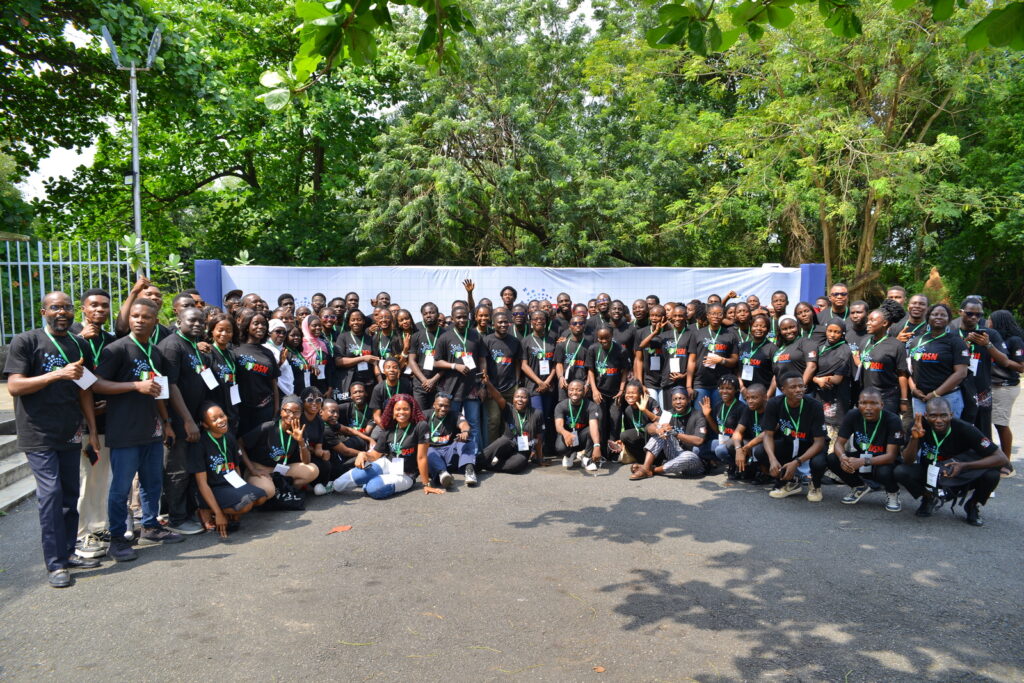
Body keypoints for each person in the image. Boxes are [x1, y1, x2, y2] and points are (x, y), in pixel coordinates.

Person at [5, 291, 102, 586]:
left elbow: (85, 389)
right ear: (44, 312)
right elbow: (15, 386)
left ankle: (68, 551)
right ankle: (55, 564)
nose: (62, 312)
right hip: (38, 431)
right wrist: (57, 374)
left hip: (70, 430)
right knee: (50, 495)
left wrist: (92, 430)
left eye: (67, 307)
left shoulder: (78, 344)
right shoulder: (26, 341)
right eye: (55, 307)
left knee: (70, 495)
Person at [93, 297, 182, 563]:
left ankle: (151, 527)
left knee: (152, 483)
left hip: (151, 430)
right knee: (121, 489)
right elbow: (96, 384)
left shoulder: (154, 352)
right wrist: (134, 386)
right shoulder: (117, 349)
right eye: (135, 316)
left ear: (155, 321)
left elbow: (159, 390)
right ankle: (118, 538)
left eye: (146, 317)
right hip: (125, 432)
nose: (140, 320)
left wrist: (166, 422)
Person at [895, 397, 1008, 526]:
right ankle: (929, 498)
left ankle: (972, 505)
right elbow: (907, 460)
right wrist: (914, 439)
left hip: (959, 473)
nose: (939, 420)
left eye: (943, 415)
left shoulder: (965, 428)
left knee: (992, 475)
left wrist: (965, 466)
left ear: (951, 414)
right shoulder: (918, 426)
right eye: (933, 416)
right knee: (900, 471)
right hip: (931, 473)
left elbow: (1001, 458)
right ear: (926, 416)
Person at [157, 306, 213, 536]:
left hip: (193, 419)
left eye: (201, 321)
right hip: (179, 420)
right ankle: (176, 518)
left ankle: (187, 513)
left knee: (189, 468)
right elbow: (169, 385)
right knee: (176, 470)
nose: (197, 324)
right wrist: (186, 420)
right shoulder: (172, 345)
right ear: (179, 321)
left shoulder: (194, 346)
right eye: (192, 320)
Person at [71, 288, 116, 560]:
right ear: (83, 309)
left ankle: (98, 527)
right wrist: (79, 340)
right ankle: (81, 534)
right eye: (94, 305)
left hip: (106, 420)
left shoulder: (110, 340)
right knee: (86, 480)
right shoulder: (71, 336)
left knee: (100, 478)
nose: (100, 310)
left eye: (104, 306)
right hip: (82, 424)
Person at [809, 388, 904, 510]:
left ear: (881, 405)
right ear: (858, 404)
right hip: (862, 457)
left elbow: (891, 456)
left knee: (884, 471)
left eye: (873, 403)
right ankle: (859, 486)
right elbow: (839, 444)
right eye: (863, 403)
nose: (868, 408)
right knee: (833, 458)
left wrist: (863, 461)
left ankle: (893, 492)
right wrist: (843, 458)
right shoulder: (853, 415)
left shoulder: (892, 420)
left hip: (883, 461)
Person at [190, 403, 268, 536]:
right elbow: (202, 484)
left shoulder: (229, 437)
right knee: (245, 505)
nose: (221, 420)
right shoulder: (200, 444)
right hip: (213, 488)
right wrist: (219, 513)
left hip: (230, 483)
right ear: (205, 424)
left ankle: (229, 511)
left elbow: (236, 467)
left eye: (222, 416)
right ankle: (208, 510)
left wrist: (241, 489)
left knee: (261, 497)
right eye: (214, 419)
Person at [331, 394, 425, 499]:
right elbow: (375, 455)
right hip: (388, 463)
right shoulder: (389, 428)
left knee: (373, 488)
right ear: (392, 412)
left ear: (412, 410)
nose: (401, 412)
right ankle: (330, 487)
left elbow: (422, 457)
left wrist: (426, 484)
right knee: (345, 481)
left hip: (406, 474)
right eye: (398, 409)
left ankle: (370, 483)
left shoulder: (420, 426)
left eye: (406, 409)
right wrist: (363, 454)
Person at [760, 373, 827, 500]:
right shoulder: (774, 403)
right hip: (789, 442)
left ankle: (815, 485)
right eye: (793, 387)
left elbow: (819, 443)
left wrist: (797, 462)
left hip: (811, 445)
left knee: (818, 462)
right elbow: (768, 435)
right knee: (761, 451)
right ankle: (791, 482)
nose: (798, 390)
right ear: (783, 390)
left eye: (801, 386)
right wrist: (772, 459)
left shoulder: (815, 406)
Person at [238, 395, 318, 499]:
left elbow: (306, 461)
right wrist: (252, 469)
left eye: (296, 412)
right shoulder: (267, 427)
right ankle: (274, 491)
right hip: (260, 469)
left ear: (301, 414)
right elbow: (239, 444)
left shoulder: (299, 430)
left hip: (280, 469)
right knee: (268, 490)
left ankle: (285, 492)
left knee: (313, 470)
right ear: (281, 411)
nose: (291, 415)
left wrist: (301, 441)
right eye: (288, 411)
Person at [956, 297, 1011, 438]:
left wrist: (988, 345)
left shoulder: (990, 334)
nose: (974, 317)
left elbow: (1005, 361)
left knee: (983, 432)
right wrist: (963, 345)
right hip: (958, 388)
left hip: (982, 389)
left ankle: (985, 453)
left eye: (978, 314)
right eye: (969, 313)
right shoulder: (952, 333)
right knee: (958, 429)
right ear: (960, 312)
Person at [434, 306, 486, 455]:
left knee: (473, 423)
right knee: (453, 423)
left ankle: (476, 455)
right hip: (452, 389)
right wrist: (454, 366)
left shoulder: (475, 335)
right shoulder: (445, 337)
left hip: (472, 388)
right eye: (458, 317)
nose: (462, 320)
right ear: (452, 318)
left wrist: (482, 384)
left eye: (464, 317)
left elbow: (482, 360)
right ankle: (453, 454)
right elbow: (436, 362)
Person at [629, 387, 707, 480]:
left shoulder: (697, 415)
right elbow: (649, 427)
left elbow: (699, 441)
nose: (678, 402)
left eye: (682, 398)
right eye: (675, 399)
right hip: (675, 455)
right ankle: (646, 466)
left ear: (688, 399)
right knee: (660, 431)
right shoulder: (669, 413)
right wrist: (658, 430)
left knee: (689, 456)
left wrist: (675, 434)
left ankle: (652, 470)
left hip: (693, 463)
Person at [908, 303, 969, 418]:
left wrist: (935, 394)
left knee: (948, 429)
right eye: (935, 314)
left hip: (948, 398)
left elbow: (961, 373)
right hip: (921, 399)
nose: (939, 317)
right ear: (928, 318)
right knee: (921, 429)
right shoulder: (917, 341)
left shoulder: (956, 342)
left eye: (943, 315)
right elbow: (910, 371)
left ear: (949, 319)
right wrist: (914, 390)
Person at [987, 310, 1023, 475]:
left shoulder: (1014, 340)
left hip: (1005, 386)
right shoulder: (993, 338)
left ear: (998, 322)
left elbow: (1021, 367)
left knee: (1001, 423)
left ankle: (1007, 465)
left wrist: (1005, 361)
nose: (987, 323)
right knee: (992, 423)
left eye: (990, 320)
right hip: (992, 386)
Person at [234, 309, 281, 436]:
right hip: (243, 410)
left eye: (264, 324)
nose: (261, 327)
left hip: (266, 408)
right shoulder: (235, 349)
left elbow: (274, 383)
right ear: (247, 326)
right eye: (256, 323)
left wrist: (276, 409)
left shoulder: (268, 352)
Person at [415, 393, 476, 487]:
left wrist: (465, 432)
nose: (443, 409)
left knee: (466, 441)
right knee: (427, 449)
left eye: (446, 406)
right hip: (432, 452)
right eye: (440, 405)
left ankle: (469, 470)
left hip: (449, 451)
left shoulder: (455, 414)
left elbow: (464, 424)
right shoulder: (424, 415)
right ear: (434, 405)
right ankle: (443, 474)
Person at [856, 309, 909, 415]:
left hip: (887, 397)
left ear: (884, 323)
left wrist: (903, 400)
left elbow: (902, 374)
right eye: (868, 320)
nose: (868, 323)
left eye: (872, 320)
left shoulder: (896, 345)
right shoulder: (865, 341)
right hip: (867, 396)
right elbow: (859, 360)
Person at [482, 310, 523, 448]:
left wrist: (516, 382)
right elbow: (483, 363)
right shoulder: (487, 340)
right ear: (493, 324)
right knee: (494, 421)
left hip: (510, 388)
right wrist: (486, 385)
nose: (503, 324)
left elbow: (517, 363)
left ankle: (511, 448)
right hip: (492, 388)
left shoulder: (515, 341)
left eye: (506, 322)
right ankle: (492, 451)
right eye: (500, 322)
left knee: (511, 420)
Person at [687, 302, 739, 411]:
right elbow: (692, 360)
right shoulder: (697, 334)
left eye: (719, 314)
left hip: (722, 385)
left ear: (723, 316)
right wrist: (688, 386)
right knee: (700, 416)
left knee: (718, 415)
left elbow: (734, 360)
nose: (716, 316)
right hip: (701, 383)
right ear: (707, 315)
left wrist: (722, 360)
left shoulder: (730, 335)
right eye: (713, 313)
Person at [586, 326, 628, 455]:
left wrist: (621, 390)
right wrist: (594, 390)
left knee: (615, 421)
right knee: (600, 421)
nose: (603, 341)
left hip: (615, 393)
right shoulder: (593, 349)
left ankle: (613, 453)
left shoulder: (620, 350)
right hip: (599, 392)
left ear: (612, 336)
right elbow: (591, 371)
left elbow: (625, 371)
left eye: (606, 338)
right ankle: (601, 452)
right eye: (600, 338)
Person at [811, 320, 853, 439]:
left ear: (842, 333)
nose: (832, 335)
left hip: (837, 398)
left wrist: (821, 379)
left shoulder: (845, 351)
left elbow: (837, 379)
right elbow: (811, 370)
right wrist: (817, 380)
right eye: (830, 331)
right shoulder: (820, 347)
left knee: (833, 435)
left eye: (837, 332)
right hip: (819, 395)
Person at [554, 379, 603, 472]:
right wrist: (565, 433)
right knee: (560, 448)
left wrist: (597, 446)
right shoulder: (561, 406)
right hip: (568, 436)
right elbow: (558, 426)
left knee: (595, 429)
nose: (574, 393)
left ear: (584, 391)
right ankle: (570, 455)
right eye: (571, 390)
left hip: (582, 437)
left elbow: (593, 426)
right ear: (567, 391)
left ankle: (587, 458)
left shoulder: (591, 406)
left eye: (578, 390)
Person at [609, 380, 661, 465]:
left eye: (633, 393)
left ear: (640, 394)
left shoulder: (650, 402)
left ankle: (657, 460)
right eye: (627, 393)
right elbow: (630, 431)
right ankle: (643, 461)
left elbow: (660, 420)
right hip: (641, 437)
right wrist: (622, 442)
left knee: (648, 427)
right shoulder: (628, 410)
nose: (629, 395)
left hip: (655, 438)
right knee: (624, 436)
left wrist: (645, 410)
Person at [407, 302, 444, 411]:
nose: (428, 315)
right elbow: (411, 360)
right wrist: (425, 381)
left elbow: (449, 361)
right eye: (425, 314)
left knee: (437, 415)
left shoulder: (446, 335)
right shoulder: (416, 336)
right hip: (420, 385)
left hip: (440, 383)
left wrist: (433, 380)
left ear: (438, 315)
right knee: (420, 416)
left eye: (431, 312)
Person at [701, 375, 742, 472]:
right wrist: (707, 415)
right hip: (722, 440)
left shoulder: (741, 408)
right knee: (698, 450)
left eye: (729, 388)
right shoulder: (718, 406)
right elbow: (718, 430)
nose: (724, 391)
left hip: (735, 443)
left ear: (736, 390)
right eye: (722, 388)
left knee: (720, 450)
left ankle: (736, 467)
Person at [336, 309, 379, 401]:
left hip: (368, 381)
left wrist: (380, 382)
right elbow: (338, 361)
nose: (356, 322)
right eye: (353, 320)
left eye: (359, 319)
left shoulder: (370, 339)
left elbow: (375, 361)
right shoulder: (343, 337)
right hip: (349, 380)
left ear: (363, 321)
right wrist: (363, 358)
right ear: (349, 322)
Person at [731, 383, 770, 483]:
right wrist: (738, 449)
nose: (750, 401)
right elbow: (737, 431)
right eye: (747, 398)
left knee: (758, 449)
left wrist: (747, 447)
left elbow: (766, 433)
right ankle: (744, 469)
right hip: (753, 443)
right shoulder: (749, 409)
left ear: (765, 397)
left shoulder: (772, 409)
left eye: (754, 398)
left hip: (770, 443)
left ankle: (767, 473)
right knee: (730, 444)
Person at [771, 316, 818, 392]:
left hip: (801, 392)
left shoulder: (805, 342)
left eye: (792, 327)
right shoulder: (780, 349)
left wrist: (800, 389)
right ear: (780, 331)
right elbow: (777, 374)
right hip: (782, 392)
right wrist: (768, 395)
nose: (789, 331)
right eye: (784, 329)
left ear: (798, 327)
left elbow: (812, 366)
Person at [634, 305, 667, 407]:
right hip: (649, 381)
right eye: (652, 315)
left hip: (665, 381)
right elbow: (639, 360)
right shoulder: (641, 333)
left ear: (663, 317)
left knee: (664, 410)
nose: (654, 318)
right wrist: (640, 383)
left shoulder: (669, 333)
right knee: (653, 408)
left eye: (657, 316)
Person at [555, 314, 591, 402]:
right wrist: (560, 377)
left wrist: (587, 384)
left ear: (584, 326)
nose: (577, 325)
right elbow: (559, 363)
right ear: (570, 327)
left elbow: (591, 368)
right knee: (565, 407)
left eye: (580, 323)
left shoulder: (589, 346)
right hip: (565, 383)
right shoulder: (561, 345)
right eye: (574, 323)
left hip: (582, 384)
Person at [369, 357, 413, 425]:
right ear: (383, 371)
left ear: (399, 370)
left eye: (395, 367)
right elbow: (376, 416)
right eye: (388, 367)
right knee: (376, 432)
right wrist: (384, 427)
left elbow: (412, 407)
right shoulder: (378, 389)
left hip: (404, 421)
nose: (391, 370)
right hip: (385, 422)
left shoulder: (406, 384)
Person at [738, 314, 776, 394]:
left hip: (763, 393)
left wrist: (768, 395)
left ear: (768, 329)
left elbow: (776, 375)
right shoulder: (744, 346)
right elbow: (737, 369)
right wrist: (742, 387)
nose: (758, 328)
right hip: (744, 392)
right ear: (750, 328)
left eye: (763, 326)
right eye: (755, 326)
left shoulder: (772, 348)